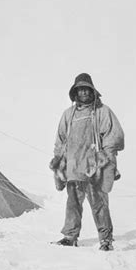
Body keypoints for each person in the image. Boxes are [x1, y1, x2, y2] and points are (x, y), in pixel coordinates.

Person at [50, 73, 124, 251]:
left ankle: (106, 240)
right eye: (80, 89)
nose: (83, 92)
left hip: (95, 167)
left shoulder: (102, 111)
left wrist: (106, 158)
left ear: (92, 90)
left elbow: (113, 137)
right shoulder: (68, 115)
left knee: (99, 204)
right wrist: (59, 161)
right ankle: (70, 236)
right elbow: (60, 141)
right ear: (75, 92)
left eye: (86, 88)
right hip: (74, 167)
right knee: (73, 203)